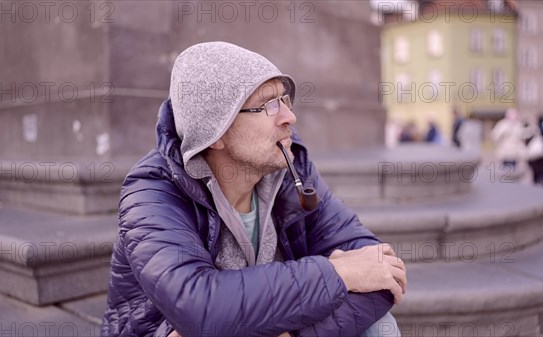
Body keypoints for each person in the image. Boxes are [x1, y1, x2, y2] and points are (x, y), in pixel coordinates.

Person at [101, 42, 406, 337]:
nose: (289, 116)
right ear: (215, 133)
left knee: (379, 327)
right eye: (268, 105)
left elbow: (382, 269)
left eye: (284, 99)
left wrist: (292, 334)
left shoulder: (291, 171)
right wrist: (336, 274)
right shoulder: (153, 192)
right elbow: (199, 309)